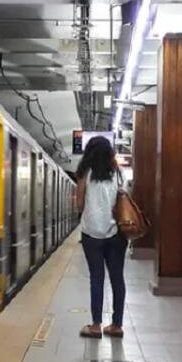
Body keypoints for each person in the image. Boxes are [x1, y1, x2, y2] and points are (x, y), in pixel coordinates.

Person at [74, 136, 126, 339]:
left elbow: (79, 205)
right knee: (117, 278)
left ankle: (95, 325)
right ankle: (117, 325)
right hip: (115, 234)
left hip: (91, 234)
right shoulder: (118, 174)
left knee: (97, 278)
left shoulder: (84, 173)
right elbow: (124, 200)